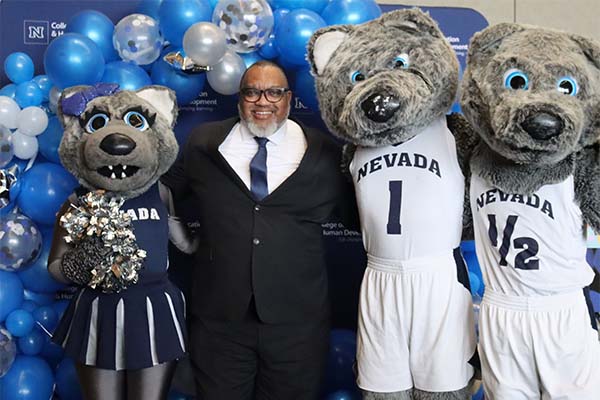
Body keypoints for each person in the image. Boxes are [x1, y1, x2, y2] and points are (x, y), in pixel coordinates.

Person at [161, 60, 356, 400]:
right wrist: (178, 233)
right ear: (240, 99)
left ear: (289, 99)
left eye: (273, 93)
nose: (262, 101)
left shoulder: (325, 153)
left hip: (297, 325)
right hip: (219, 322)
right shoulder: (204, 143)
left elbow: (361, 215)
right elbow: (162, 188)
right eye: (252, 92)